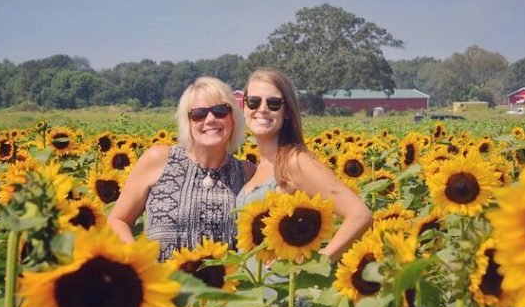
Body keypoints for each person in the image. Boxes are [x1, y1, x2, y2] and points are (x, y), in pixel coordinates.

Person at [109, 77, 255, 260]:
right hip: (161, 284)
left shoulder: (247, 173)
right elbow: (118, 220)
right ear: (188, 122)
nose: (210, 119)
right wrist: (137, 260)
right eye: (199, 114)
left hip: (223, 287)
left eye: (220, 111)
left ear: (233, 119)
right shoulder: (159, 160)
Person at [237, 68, 371, 261]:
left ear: (287, 112)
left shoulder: (295, 161)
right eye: (254, 102)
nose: (262, 109)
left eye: (274, 103)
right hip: (251, 287)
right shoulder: (258, 166)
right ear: (245, 107)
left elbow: (360, 215)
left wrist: (310, 267)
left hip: (282, 288)